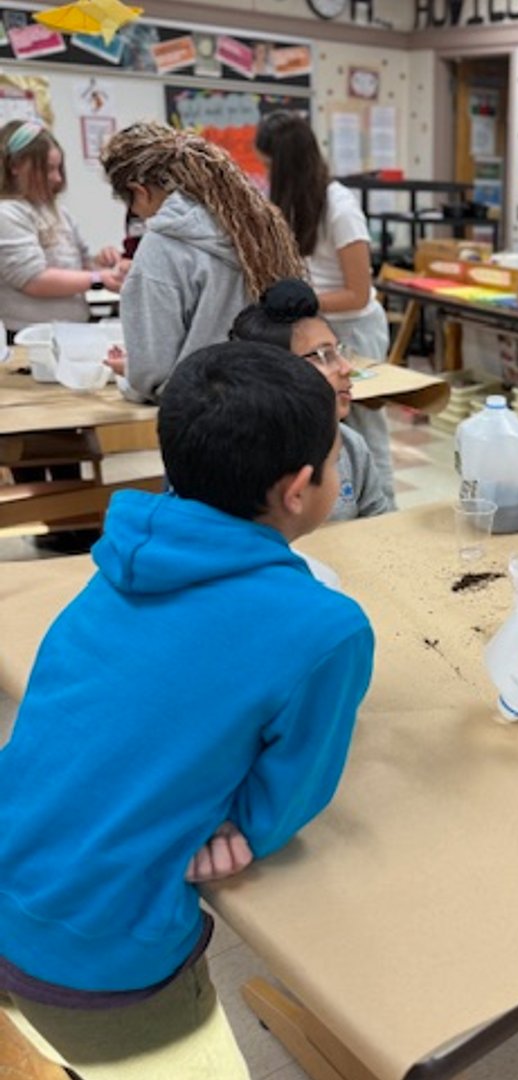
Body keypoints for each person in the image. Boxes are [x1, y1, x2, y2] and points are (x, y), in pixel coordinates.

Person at [0, 341, 375, 1078]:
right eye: (337, 459)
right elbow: (289, 794)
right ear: (300, 487)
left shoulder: (125, 558)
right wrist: (246, 829)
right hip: (96, 947)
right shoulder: (326, 629)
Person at [98, 121, 305, 402]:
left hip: (207, 411)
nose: (137, 213)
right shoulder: (255, 225)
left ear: (140, 190)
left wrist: (132, 374)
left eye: (130, 204)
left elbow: (153, 374)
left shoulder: (161, 247)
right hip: (275, 395)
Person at [255, 110, 396, 508]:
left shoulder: (340, 206)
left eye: (269, 167)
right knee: (327, 426)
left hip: (356, 330)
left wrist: (308, 299)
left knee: (368, 428)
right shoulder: (293, 202)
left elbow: (357, 292)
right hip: (322, 332)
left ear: (285, 164)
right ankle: (337, 510)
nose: (266, 176)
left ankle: (385, 514)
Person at [231, 277, 393, 520]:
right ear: (273, 371)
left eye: (338, 352)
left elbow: (382, 526)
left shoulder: (350, 445)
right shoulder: (236, 459)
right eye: (322, 356)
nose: (346, 367)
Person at [0, 119, 125, 336]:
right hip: (28, 334)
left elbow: (79, 267)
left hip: (70, 328)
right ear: (14, 167)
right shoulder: (6, 214)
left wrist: (100, 263)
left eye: (58, 168)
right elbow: (33, 280)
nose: (57, 178)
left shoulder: (56, 211)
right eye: (47, 169)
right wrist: (98, 278)